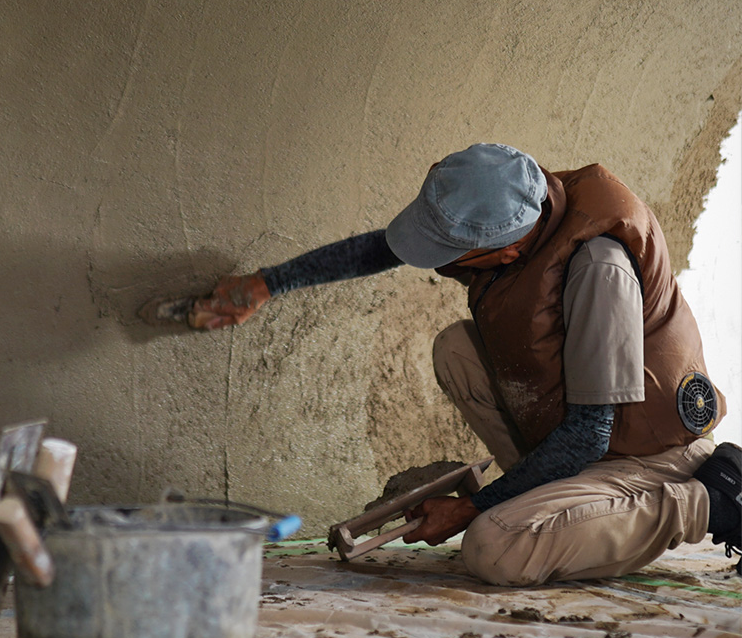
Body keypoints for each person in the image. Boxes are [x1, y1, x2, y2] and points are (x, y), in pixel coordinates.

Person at [190, 143, 740, 584]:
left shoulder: (599, 267)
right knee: (457, 347)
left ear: (503, 253)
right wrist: (267, 284)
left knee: (494, 548)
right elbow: (383, 250)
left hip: (647, 456)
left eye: (446, 255)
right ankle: (555, 500)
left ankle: (711, 503)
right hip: (589, 435)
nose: (435, 264)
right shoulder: (513, 201)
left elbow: (588, 435)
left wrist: (474, 507)